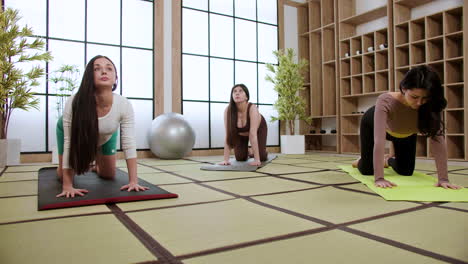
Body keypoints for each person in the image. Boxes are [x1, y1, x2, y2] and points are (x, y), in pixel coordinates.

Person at [352, 65, 461, 189]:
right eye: (414, 97)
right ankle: (362, 160)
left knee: (406, 171)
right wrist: (380, 178)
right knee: (367, 170)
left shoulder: (431, 104)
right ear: (404, 89)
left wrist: (443, 179)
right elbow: (379, 141)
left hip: (404, 132)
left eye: (425, 98)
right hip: (374, 124)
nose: (419, 103)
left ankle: (386, 161)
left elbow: (437, 140)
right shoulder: (386, 100)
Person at [56, 55, 149, 198]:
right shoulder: (74, 102)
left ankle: (96, 164)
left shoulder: (123, 104)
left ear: (115, 78)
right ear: (89, 76)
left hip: (106, 134)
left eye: (109, 68)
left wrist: (133, 181)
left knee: (108, 175)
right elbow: (69, 142)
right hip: (78, 136)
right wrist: (67, 186)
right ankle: (67, 167)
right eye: (97, 69)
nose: (104, 72)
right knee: (63, 176)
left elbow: (129, 143)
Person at [219, 84, 268, 166]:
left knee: (262, 157)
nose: (237, 93)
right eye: (234, 91)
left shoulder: (252, 108)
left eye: (240, 91)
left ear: (246, 97)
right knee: (240, 158)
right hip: (241, 134)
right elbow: (228, 134)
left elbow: (253, 134)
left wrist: (256, 160)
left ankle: (262, 150)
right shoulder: (228, 111)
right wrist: (225, 160)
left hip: (258, 129)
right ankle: (249, 151)